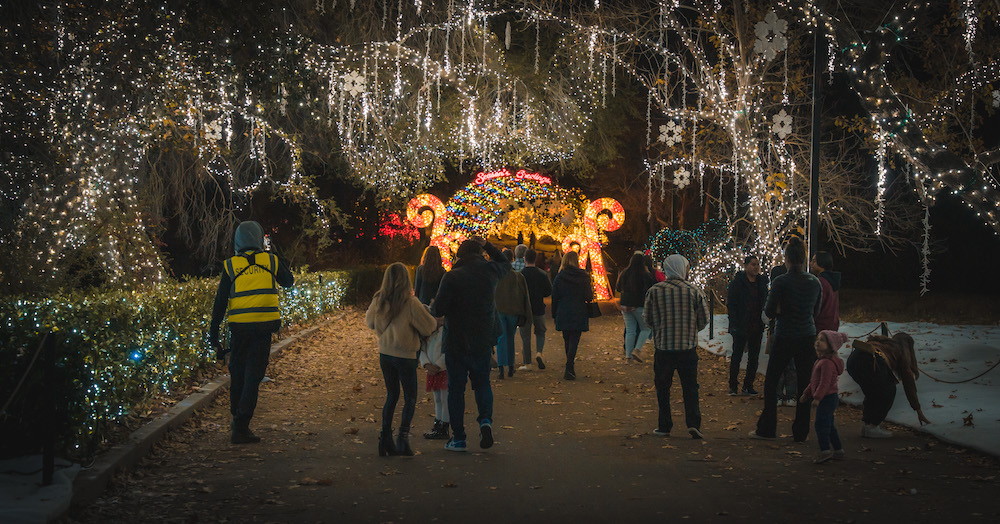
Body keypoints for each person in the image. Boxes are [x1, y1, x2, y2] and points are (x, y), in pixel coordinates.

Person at [210, 221, 294, 444]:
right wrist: (274, 254)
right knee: (253, 376)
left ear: (237, 241)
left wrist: (213, 334)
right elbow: (289, 282)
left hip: (239, 329)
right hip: (263, 328)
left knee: (238, 373)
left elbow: (220, 303)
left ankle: (236, 416)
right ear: (259, 239)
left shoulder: (231, 266)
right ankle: (241, 424)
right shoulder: (271, 261)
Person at [431, 237, 511, 452]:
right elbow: (505, 263)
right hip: (482, 339)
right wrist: (488, 245)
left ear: (459, 256)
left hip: (456, 340)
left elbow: (438, 309)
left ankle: (458, 438)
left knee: (456, 390)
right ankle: (485, 421)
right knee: (482, 383)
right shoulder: (490, 272)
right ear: (480, 254)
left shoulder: (452, 277)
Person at [751, 237, 822, 442]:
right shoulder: (814, 282)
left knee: (772, 381)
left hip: (784, 335)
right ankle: (801, 431)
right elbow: (815, 311)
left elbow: (770, 310)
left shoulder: (781, 282)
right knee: (805, 383)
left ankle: (767, 427)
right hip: (807, 335)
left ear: (787, 259)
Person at [366, 263, 439, 457]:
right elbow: (429, 326)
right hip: (406, 355)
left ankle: (384, 439)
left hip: (386, 354)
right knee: (410, 397)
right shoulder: (410, 302)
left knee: (392, 395)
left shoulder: (378, 300)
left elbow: (370, 322)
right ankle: (402, 439)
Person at [643, 254, 710, 439]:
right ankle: (693, 423)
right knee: (690, 387)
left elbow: (647, 319)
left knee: (663, 388)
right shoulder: (694, 291)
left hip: (664, 348)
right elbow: (704, 319)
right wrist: (690, 328)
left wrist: (659, 327)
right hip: (687, 348)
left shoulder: (655, 291)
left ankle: (664, 426)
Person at [847, 333, 930, 438]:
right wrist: (918, 410)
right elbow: (909, 385)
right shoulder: (901, 351)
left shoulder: (883, 343)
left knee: (872, 392)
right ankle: (872, 426)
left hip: (853, 359)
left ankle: (867, 426)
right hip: (873, 360)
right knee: (888, 391)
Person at [800, 330, 848, 464]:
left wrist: (817, 398)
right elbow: (814, 381)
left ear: (831, 346)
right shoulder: (821, 361)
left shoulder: (827, 363)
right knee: (829, 425)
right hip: (826, 397)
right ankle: (838, 450)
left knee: (821, 424)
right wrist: (806, 393)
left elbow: (824, 383)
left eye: (822, 340)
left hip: (827, 398)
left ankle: (825, 451)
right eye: (818, 339)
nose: (818, 342)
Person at [726, 255, 768, 395]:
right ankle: (733, 385)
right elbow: (731, 304)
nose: (756, 267)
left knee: (754, 357)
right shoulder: (737, 282)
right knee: (737, 355)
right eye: (753, 264)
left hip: (756, 324)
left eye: (757, 264)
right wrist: (734, 323)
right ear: (745, 266)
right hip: (740, 324)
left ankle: (748, 385)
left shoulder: (761, 282)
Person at [551, 251, 593, 380]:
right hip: (579, 309)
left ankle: (569, 365)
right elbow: (589, 297)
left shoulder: (560, 277)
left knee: (567, 338)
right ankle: (570, 365)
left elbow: (555, 297)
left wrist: (554, 314)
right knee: (575, 338)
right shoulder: (584, 277)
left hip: (563, 309)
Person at [494, 248, 532, 379]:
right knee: (510, 337)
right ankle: (510, 366)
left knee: (500, 338)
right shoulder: (518, 276)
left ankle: (501, 367)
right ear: (512, 259)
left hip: (499, 310)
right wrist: (526, 313)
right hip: (514, 311)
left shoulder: (496, 277)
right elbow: (524, 296)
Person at [616, 252, 657, 363]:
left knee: (630, 330)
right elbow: (652, 288)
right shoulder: (645, 274)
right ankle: (637, 350)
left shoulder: (625, 272)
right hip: (639, 304)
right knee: (646, 328)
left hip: (625, 304)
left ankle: (628, 356)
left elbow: (618, 288)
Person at [768, 259, 797, 406]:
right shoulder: (803, 281)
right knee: (785, 364)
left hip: (784, 328)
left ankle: (786, 394)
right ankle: (783, 394)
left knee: (784, 364)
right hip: (787, 328)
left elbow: (769, 309)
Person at [519, 249, 552, 371]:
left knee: (525, 336)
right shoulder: (542, 274)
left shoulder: (521, 274)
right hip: (538, 307)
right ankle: (539, 352)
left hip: (525, 309)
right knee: (540, 332)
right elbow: (548, 292)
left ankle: (527, 362)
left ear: (524, 259)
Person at [419, 313, 449, 440]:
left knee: (445, 399)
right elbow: (421, 349)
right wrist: (426, 364)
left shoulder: (446, 333)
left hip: (443, 370)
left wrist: (438, 365)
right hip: (432, 370)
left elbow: (447, 351)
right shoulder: (427, 334)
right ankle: (437, 423)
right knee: (437, 398)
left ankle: (444, 425)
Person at [810, 251, 841, 332]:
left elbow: (815, 306)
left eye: (814, 261)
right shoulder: (832, 281)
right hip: (832, 326)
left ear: (822, 263)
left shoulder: (821, 282)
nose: (810, 264)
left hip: (820, 328)